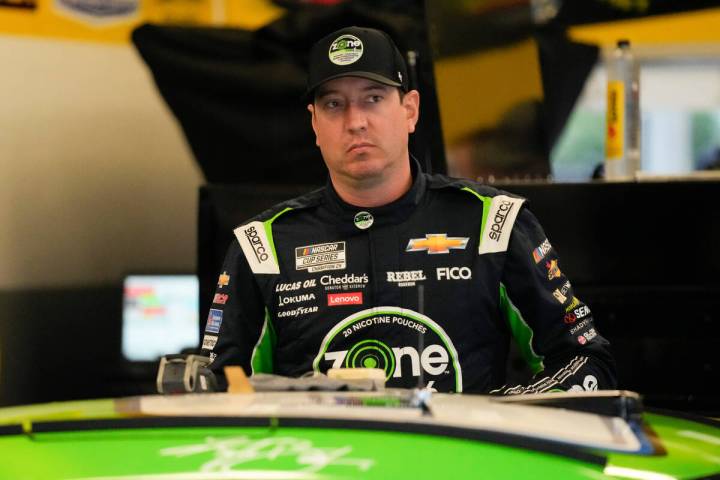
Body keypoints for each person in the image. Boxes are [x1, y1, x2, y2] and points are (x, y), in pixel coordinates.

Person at [202, 26, 616, 394]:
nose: (355, 121)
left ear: (410, 110)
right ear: (314, 123)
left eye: (374, 98)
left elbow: (587, 365)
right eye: (333, 105)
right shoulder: (262, 245)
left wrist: (495, 414)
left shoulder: (494, 222)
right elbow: (219, 388)